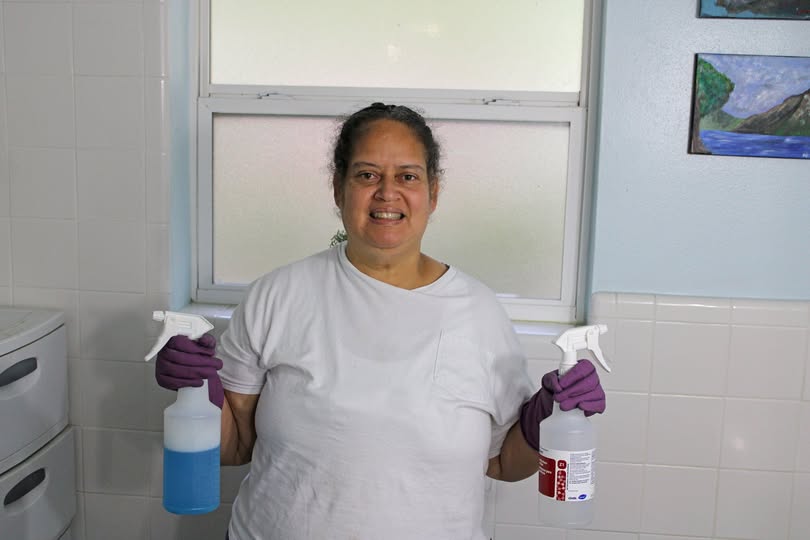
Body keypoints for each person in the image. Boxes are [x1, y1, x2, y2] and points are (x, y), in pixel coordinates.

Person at [154, 103, 606, 540]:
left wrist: (546, 417)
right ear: (338, 188)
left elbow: (505, 465)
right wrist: (198, 392)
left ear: (433, 192)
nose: (387, 193)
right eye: (367, 175)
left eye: (407, 176)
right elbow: (234, 449)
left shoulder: (480, 312)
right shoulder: (279, 295)